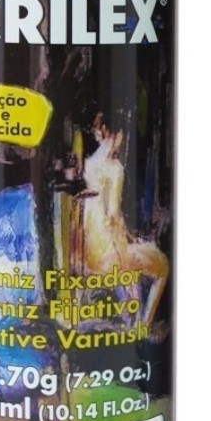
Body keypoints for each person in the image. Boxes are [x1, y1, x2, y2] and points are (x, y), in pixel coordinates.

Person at [82, 114, 169, 329]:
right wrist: (127, 253)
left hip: (88, 253)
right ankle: (143, 326)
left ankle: (133, 319)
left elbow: (102, 215)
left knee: (133, 256)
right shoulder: (114, 168)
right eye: (121, 135)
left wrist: (131, 239)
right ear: (115, 134)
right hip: (108, 257)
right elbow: (113, 218)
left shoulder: (89, 165)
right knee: (163, 267)